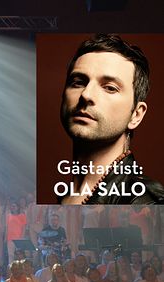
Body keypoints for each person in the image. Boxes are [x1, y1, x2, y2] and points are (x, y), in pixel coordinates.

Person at [58, 34, 164, 204]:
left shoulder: (146, 203)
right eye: (78, 82)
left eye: (109, 88)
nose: (86, 94)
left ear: (136, 114)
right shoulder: (65, 195)